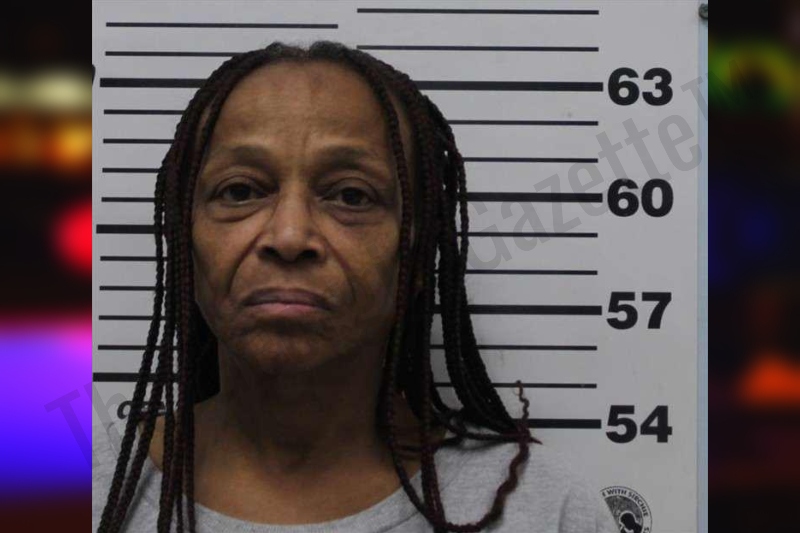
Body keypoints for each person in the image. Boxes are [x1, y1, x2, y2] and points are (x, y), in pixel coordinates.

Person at [93, 40, 617, 533]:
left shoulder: (543, 510)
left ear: (415, 256)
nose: (289, 236)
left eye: (350, 196)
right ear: (185, 241)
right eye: (240, 191)